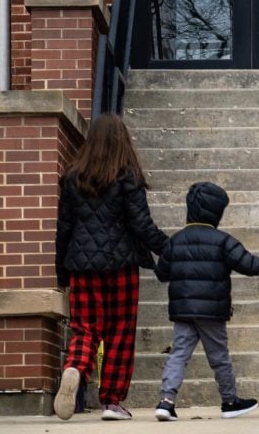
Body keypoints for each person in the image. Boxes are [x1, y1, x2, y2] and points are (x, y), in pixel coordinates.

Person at [53, 113, 169, 421]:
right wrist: (169, 248)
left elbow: (63, 228)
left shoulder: (72, 176)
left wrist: (62, 271)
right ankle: (112, 402)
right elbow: (142, 225)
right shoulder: (127, 175)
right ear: (122, 139)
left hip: (81, 266)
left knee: (85, 329)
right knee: (120, 332)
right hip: (121, 266)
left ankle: (75, 367)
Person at [153, 181, 259, 422]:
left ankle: (166, 401)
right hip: (212, 311)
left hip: (183, 310)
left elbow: (161, 273)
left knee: (179, 354)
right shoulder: (223, 241)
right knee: (219, 356)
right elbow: (248, 264)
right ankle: (230, 400)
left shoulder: (175, 240)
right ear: (216, 212)